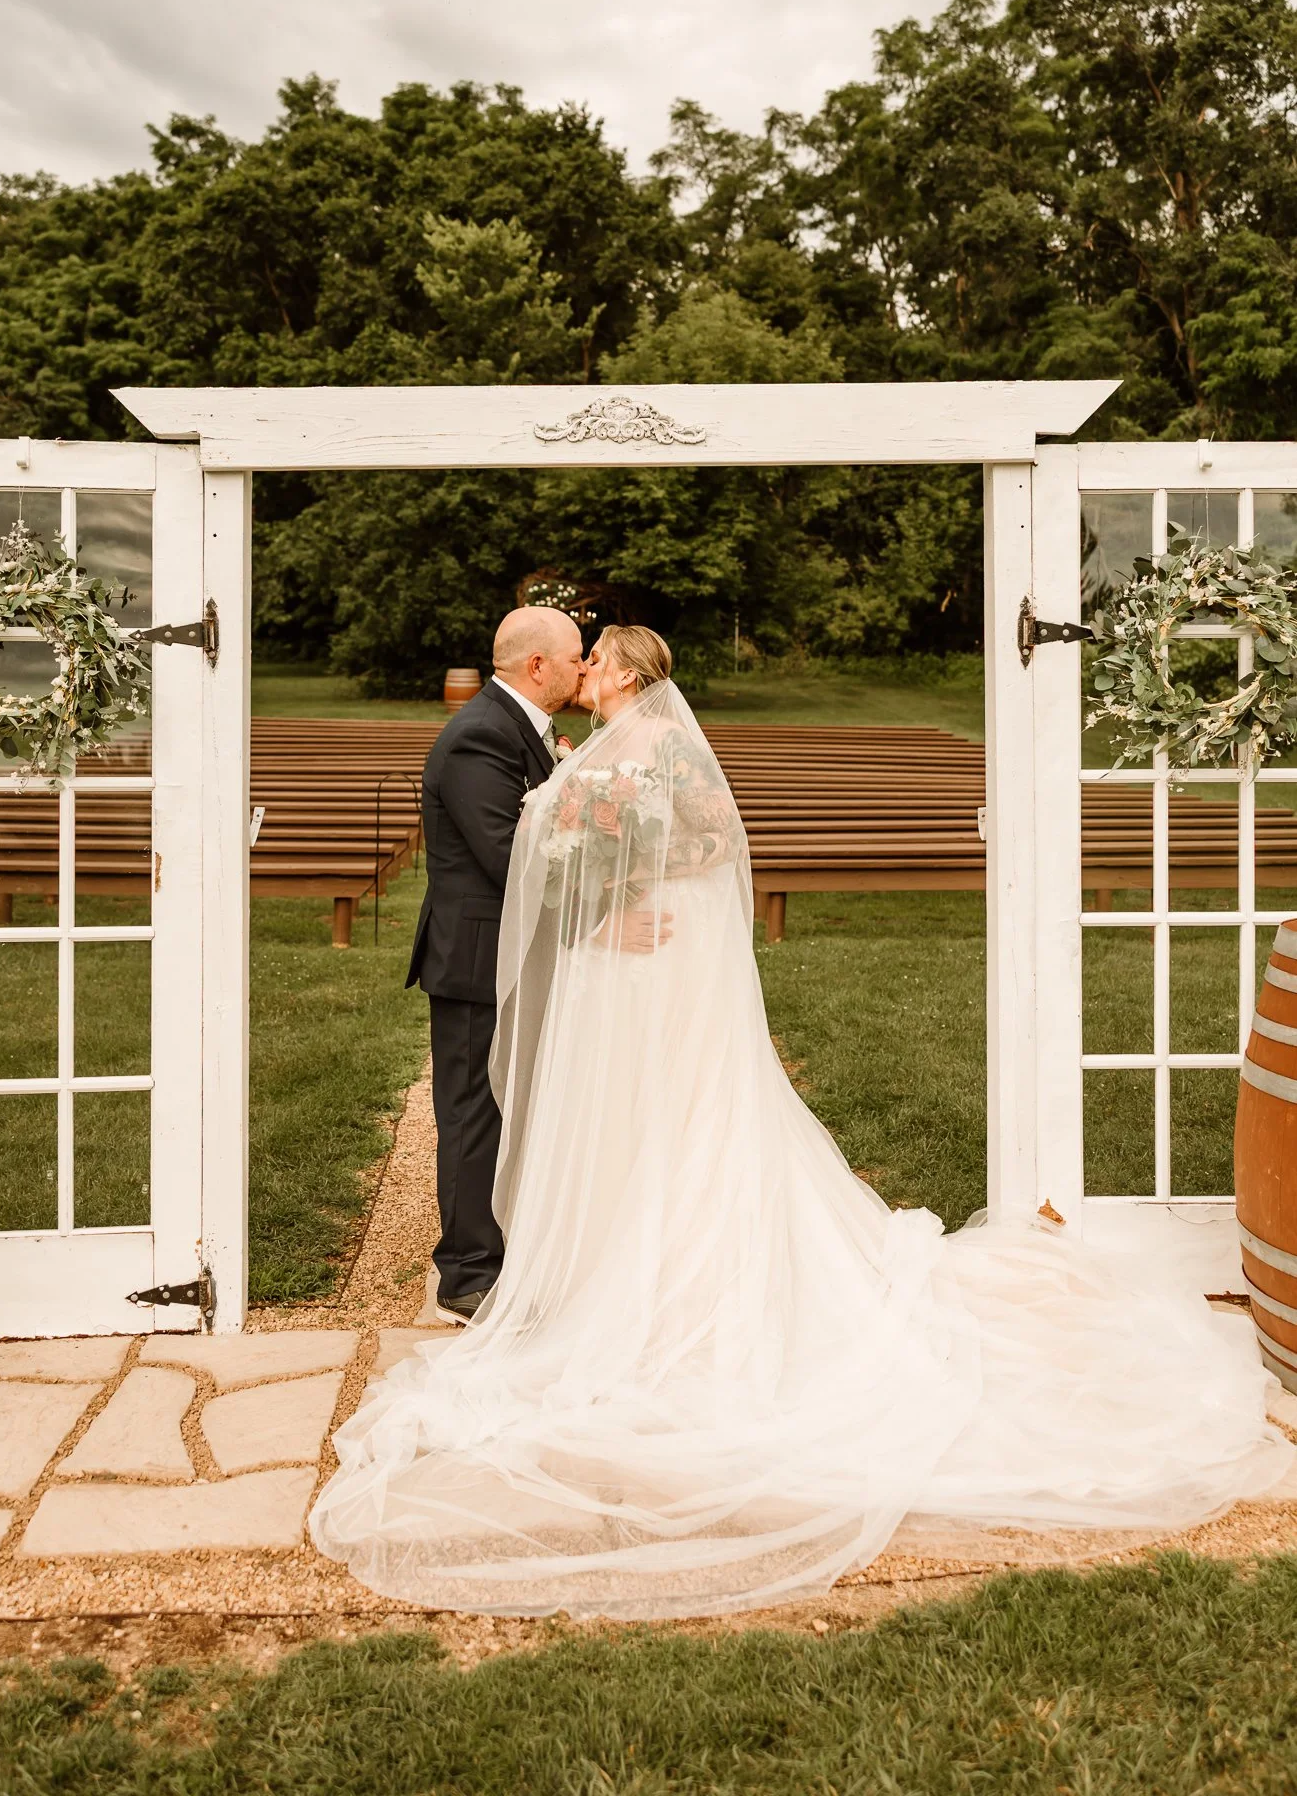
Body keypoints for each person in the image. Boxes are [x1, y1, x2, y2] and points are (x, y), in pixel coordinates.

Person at [314, 626, 1289, 1620]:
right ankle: (553, 1261)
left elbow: (701, 838)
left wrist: (620, 874)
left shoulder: (654, 747)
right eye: (578, 656)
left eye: (596, 658)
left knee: (682, 1114)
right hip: (616, 952)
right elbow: (543, 845)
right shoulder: (570, 745)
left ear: (627, 676)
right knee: (629, 1120)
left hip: (664, 956)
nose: (584, 672)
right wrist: (608, 876)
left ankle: (654, 1283)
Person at [405, 607, 665, 1322]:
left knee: (510, 1104)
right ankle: (464, 1276)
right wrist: (607, 921)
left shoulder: (519, 727)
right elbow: (509, 857)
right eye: (576, 656)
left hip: (512, 950)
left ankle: (511, 1245)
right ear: (538, 666)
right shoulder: (479, 737)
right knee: (472, 1112)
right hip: (477, 956)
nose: (584, 668)